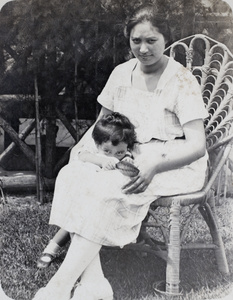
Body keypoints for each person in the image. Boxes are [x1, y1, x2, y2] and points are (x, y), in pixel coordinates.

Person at [2, 4, 209, 300]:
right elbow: (101, 125)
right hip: (129, 156)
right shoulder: (121, 73)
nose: (143, 48)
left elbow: (197, 145)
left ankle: (58, 288)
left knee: (104, 186)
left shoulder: (181, 80)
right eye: (136, 41)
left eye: (152, 40)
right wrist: (83, 155)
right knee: (73, 174)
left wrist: (154, 168)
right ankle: (96, 282)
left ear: (166, 39)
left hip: (172, 162)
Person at [36, 112, 137, 269]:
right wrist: (102, 160)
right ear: (98, 145)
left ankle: (69, 250)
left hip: (103, 202)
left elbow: (127, 164)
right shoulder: (95, 152)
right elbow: (82, 155)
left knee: (84, 217)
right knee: (78, 215)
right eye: (108, 151)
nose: (114, 156)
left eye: (120, 152)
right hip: (85, 193)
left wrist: (126, 160)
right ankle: (54, 245)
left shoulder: (125, 156)